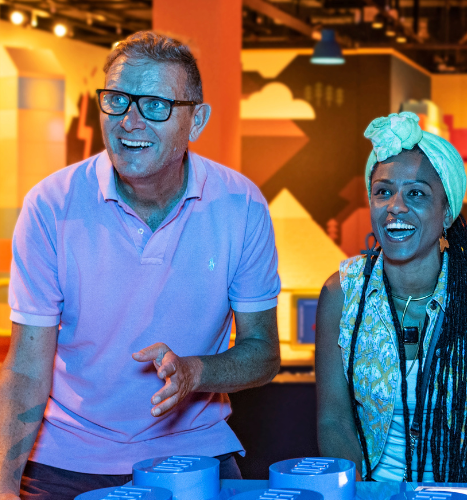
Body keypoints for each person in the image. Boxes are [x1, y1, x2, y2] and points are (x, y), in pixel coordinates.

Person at [0, 31, 282, 499]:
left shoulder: (241, 204)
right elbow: (27, 366)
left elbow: (263, 352)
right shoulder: (50, 204)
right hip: (65, 460)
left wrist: (195, 372)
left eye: (154, 104)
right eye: (116, 100)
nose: (129, 121)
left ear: (196, 121)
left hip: (195, 455)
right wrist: (5, 486)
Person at [314, 112, 467, 483]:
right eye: (383, 192)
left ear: (447, 210)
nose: (396, 206)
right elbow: (333, 422)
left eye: (416, 193)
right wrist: (365, 496)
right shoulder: (341, 292)